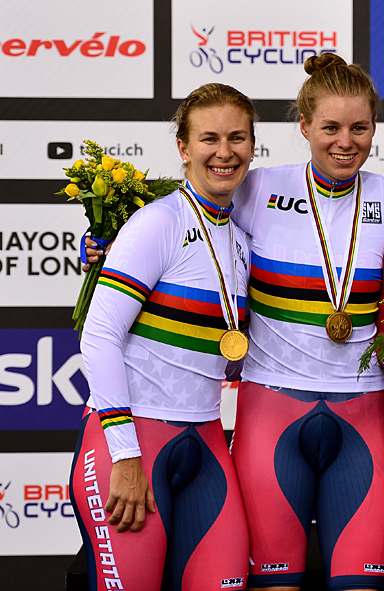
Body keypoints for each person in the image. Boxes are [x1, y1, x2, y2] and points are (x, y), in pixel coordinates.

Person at [227, 54, 384, 591]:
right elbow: (184, 228)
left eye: (359, 128)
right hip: (271, 408)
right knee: (276, 585)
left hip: (363, 412)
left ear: (375, 127)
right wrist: (105, 245)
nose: (346, 142)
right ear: (304, 126)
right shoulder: (256, 189)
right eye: (330, 128)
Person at [69, 83, 255, 591]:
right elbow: (100, 334)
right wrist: (126, 455)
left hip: (206, 438)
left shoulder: (241, 237)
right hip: (132, 441)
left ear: (252, 146)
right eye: (209, 138)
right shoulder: (156, 222)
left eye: (237, 138)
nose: (224, 152)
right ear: (183, 148)